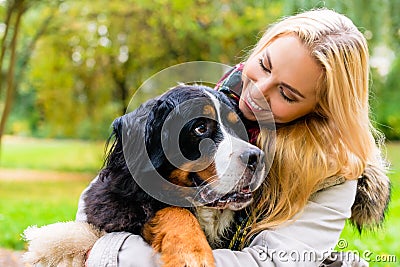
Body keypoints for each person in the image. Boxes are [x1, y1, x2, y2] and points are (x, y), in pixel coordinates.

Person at [76, 8, 390, 267]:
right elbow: (105, 197)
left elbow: (273, 263)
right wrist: (171, 219)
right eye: (264, 65)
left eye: (286, 93)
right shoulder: (208, 106)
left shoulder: (334, 171)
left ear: (320, 109)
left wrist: (108, 254)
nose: (257, 91)